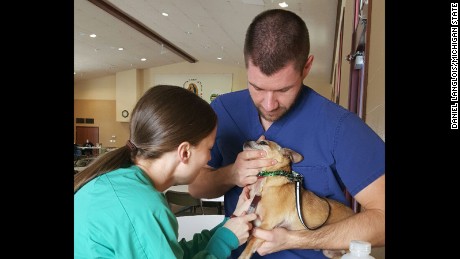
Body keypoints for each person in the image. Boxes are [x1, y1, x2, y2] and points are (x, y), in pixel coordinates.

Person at [188, 9, 385, 259]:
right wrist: (231, 174)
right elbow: (196, 187)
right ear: (246, 64)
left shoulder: (340, 126)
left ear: (307, 67)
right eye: (257, 87)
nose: (269, 104)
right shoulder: (223, 110)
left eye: (283, 89)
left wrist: (297, 239)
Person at [74, 85, 257, 259]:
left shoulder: (117, 182)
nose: (210, 158)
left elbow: (168, 252)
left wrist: (230, 225)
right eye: (209, 148)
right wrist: (225, 241)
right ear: (185, 152)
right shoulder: (143, 207)